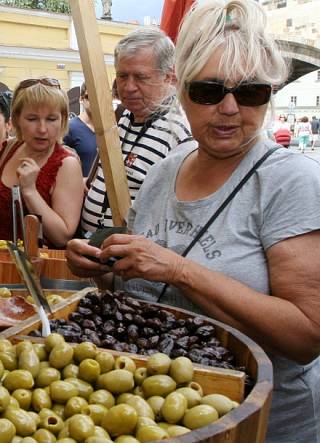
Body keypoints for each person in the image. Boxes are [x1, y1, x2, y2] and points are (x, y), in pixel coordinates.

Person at [65, 1, 320, 441]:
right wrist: (103, 266)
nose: (229, 107)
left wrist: (180, 270)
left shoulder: (290, 181)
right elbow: (143, 283)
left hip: (260, 425)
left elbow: (307, 336)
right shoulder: (169, 167)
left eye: (251, 91)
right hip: (158, 416)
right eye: (208, 91)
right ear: (182, 91)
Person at [80, 27, 197, 235]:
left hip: (132, 258)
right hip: (95, 251)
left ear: (169, 77)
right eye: (122, 76)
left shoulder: (180, 134)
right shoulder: (124, 117)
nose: (128, 87)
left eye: (140, 77)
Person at [0, 78, 83, 247]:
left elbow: (62, 237)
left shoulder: (66, 164)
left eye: (51, 119)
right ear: (17, 119)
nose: (42, 129)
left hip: (41, 269)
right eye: (32, 119)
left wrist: (30, 191)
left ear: (62, 120)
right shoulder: (9, 148)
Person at [63, 82, 98, 178]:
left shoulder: (108, 129)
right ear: (81, 99)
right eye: (89, 97)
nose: (94, 101)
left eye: (98, 97)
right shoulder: (70, 128)